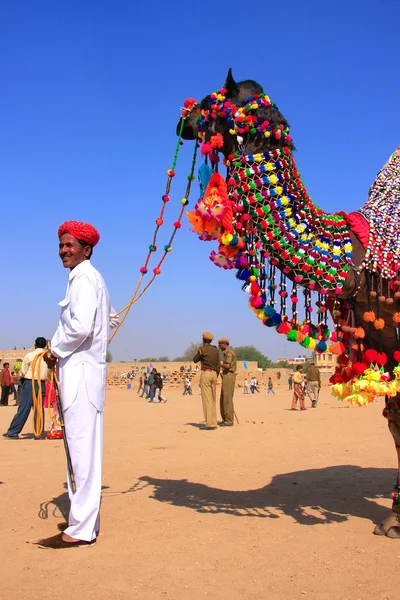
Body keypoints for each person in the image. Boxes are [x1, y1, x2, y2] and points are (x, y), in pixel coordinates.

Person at [36, 220, 117, 550]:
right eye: (61, 245)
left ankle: (81, 529)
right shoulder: (91, 279)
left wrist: (55, 351)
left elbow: (81, 327)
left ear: (87, 250)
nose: (63, 250)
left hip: (81, 378)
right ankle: (84, 520)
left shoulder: (84, 277)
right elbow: (109, 318)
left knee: (82, 453)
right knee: (81, 452)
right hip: (86, 373)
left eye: (70, 245)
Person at [2, 338, 50, 439]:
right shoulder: (48, 356)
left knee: (24, 408)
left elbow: (23, 371)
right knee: (39, 409)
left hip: (30, 383)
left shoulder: (29, 355)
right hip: (42, 384)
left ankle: (13, 431)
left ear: (35, 345)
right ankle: (39, 433)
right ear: (45, 345)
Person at [193, 332, 220, 429]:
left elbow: (195, 360)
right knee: (212, 399)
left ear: (203, 340)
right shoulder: (215, 350)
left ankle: (210, 424)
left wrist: (200, 353)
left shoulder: (202, 350)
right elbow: (218, 364)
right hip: (214, 375)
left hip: (206, 374)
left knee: (207, 399)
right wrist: (216, 375)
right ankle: (213, 421)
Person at [218, 338, 237, 427]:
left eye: (220, 344)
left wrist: (219, 364)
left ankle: (229, 420)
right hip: (226, 375)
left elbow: (227, 365)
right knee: (223, 398)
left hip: (229, 375)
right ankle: (225, 419)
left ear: (224, 344)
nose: (219, 346)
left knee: (227, 398)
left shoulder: (229, 353)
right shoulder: (226, 352)